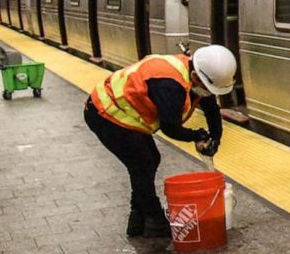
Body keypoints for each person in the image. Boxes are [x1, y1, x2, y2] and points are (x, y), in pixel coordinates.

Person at [84, 45, 236, 238]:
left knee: (149, 160)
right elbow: (170, 127)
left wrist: (215, 138)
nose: (208, 92)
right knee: (143, 163)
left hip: (122, 113)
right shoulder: (170, 86)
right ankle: (154, 220)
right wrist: (196, 135)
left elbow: (211, 108)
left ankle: (138, 218)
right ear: (197, 77)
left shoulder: (194, 75)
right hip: (106, 113)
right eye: (208, 88)